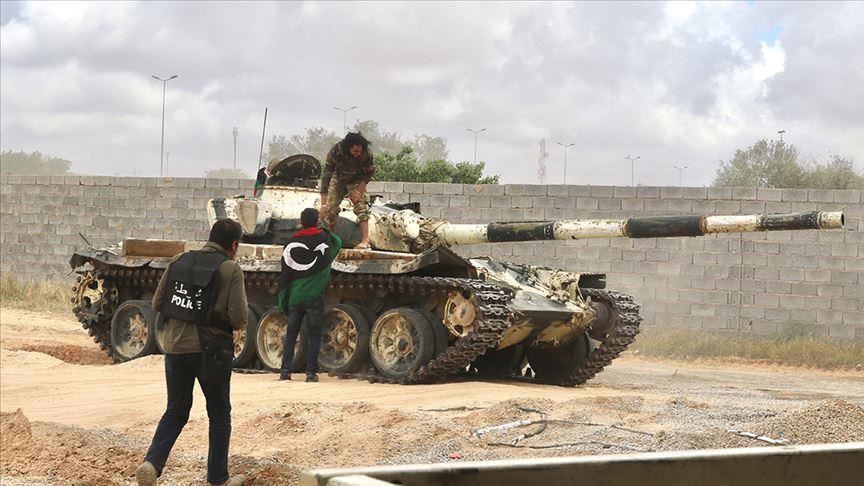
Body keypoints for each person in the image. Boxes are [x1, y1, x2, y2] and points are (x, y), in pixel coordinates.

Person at [135, 219, 248, 486]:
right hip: (211, 350)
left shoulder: (179, 260)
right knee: (219, 413)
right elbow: (238, 317)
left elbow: (157, 302)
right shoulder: (230, 268)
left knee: (176, 409)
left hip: (174, 347)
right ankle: (218, 478)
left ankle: (152, 464)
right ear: (234, 245)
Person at [278, 207, 342, 382]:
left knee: (291, 334)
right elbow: (338, 242)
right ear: (317, 221)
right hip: (314, 298)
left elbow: (285, 274)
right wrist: (324, 228)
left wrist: (283, 300)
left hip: (295, 297)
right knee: (314, 335)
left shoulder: (291, 243)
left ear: (301, 222)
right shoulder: (324, 240)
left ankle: (285, 371)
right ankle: (311, 373)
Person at [319, 132, 375, 250]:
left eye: (360, 151)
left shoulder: (366, 154)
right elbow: (327, 174)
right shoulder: (336, 151)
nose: (358, 154)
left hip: (357, 179)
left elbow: (369, 173)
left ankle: (365, 240)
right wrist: (323, 203)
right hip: (339, 178)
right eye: (355, 151)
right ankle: (332, 238)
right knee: (331, 207)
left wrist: (359, 191)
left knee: (361, 205)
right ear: (348, 147)